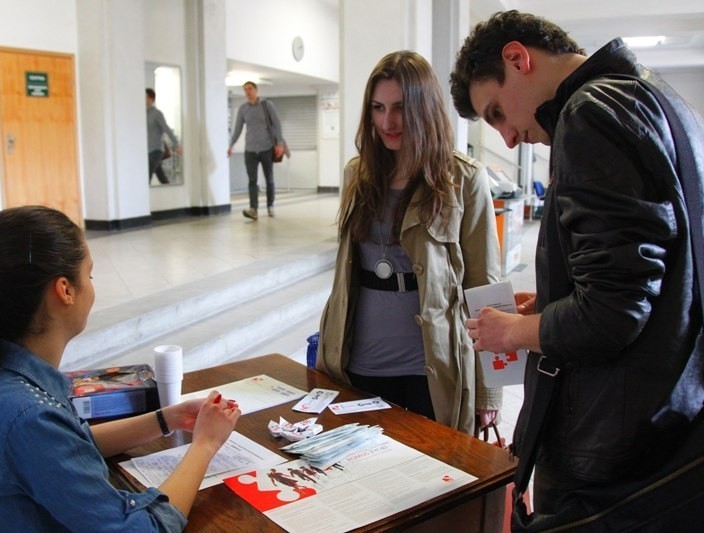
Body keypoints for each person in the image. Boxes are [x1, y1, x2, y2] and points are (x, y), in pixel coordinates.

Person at [451, 10, 704, 529]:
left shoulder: (591, 112)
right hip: (669, 420)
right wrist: (550, 306)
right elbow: (645, 276)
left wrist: (517, 331)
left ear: (517, 58)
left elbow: (611, 313)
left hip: (614, 445)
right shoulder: (658, 97)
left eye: (497, 111)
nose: (508, 137)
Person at [0, 205, 241, 531]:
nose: (93, 285)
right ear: (65, 290)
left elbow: (72, 442)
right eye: (90, 274)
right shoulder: (28, 415)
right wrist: (205, 445)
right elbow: (142, 529)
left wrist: (167, 418)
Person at [316, 51, 502, 436]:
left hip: (431, 369)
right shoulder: (358, 174)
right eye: (378, 107)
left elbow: (488, 290)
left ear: (425, 109)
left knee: (432, 480)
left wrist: (490, 392)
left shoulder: (463, 179)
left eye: (400, 108)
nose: (388, 122)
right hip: (359, 363)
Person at [227, 81, 287, 220]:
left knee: (269, 178)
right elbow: (237, 129)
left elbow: (277, 125)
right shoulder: (243, 109)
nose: (248, 92)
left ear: (256, 90)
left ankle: (270, 206)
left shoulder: (267, 106)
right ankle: (253, 209)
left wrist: (280, 144)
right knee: (252, 180)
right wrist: (231, 145)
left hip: (266, 148)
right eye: (245, 90)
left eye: (250, 89)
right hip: (250, 150)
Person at [147, 87, 181, 185]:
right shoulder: (143, 114)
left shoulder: (157, 114)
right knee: (163, 179)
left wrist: (176, 144)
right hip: (148, 151)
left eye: (145, 97)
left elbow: (166, 128)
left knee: (146, 176)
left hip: (156, 150)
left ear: (151, 99)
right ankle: (173, 196)